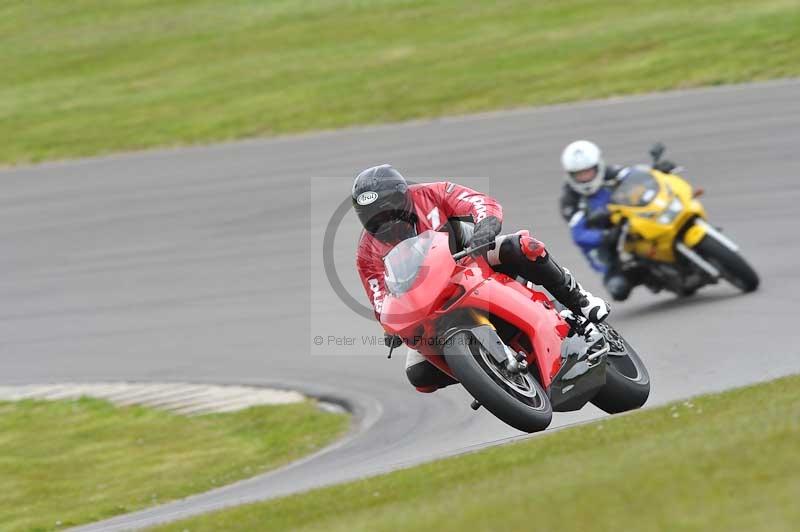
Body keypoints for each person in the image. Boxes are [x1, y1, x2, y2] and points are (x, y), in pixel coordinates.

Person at [352, 164, 609, 393]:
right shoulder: (366, 253)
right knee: (420, 376)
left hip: (472, 259)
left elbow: (478, 201)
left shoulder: (432, 193)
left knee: (521, 247)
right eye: (374, 218)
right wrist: (390, 324)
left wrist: (485, 226)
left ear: (403, 198)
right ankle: (485, 370)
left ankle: (579, 300)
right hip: (427, 304)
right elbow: (379, 299)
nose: (384, 223)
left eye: (387, 212)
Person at [559, 140, 676, 301]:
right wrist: (604, 237)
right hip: (608, 242)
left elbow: (638, 176)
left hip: (633, 219)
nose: (585, 177)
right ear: (570, 175)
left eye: (588, 172)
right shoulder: (570, 199)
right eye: (579, 174)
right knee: (618, 289)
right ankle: (650, 276)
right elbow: (578, 234)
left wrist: (658, 172)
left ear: (598, 166)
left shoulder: (612, 173)